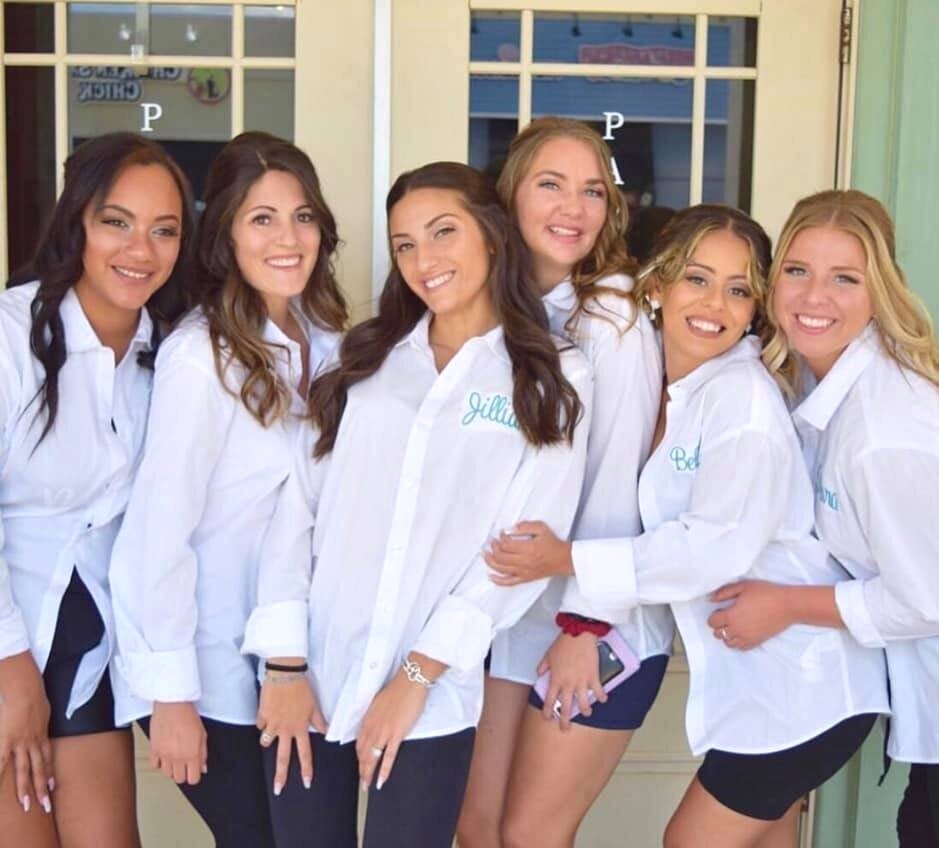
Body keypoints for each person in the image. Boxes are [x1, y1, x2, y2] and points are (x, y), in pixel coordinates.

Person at [485, 203, 890, 848]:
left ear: (756, 305)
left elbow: (711, 547)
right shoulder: (662, 381)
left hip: (805, 689)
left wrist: (568, 565)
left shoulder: (742, 400)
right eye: (697, 279)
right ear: (657, 285)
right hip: (769, 689)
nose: (715, 305)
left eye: (738, 290)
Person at [242, 161, 591, 848]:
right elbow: (295, 514)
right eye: (404, 244)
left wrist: (416, 676)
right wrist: (284, 663)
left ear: (492, 235)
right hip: (311, 680)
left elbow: (518, 556)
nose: (423, 260)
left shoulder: (551, 375)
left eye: (442, 233)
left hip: (431, 699)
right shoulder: (362, 362)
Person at [109, 131, 348, 847]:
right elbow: (158, 531)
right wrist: (173, 696)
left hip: (302, 661)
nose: (288, 237)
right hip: (208, 666)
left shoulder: (332, 340)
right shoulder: (199, 356)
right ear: (226, 236)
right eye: (262, 218)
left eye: (302, 216)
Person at [707, 189, 939, 848]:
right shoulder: (812, 386)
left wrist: (786, 605)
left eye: (844, 279)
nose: (814, 296)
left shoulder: (885, 433)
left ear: (879, 292)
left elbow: (931, 600)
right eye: (797, 271)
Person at [457, 116, 672, 848]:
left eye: (592, 191)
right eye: (551, 185)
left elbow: (619, 481)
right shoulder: (495, 307)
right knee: (476, 826)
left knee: (527, 837)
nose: (572, 209)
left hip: (596, 625)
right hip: (511, 613)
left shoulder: (610, 317)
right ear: (511, 195)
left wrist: (586, 626)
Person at [0, 132, 193, 847]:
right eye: (117, 221)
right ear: (78, 221)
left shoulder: (174, 355)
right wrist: (13, 677)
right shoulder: (12, 335)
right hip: (9, 637)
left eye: (163, 230)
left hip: (90, 647)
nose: (140, 249)